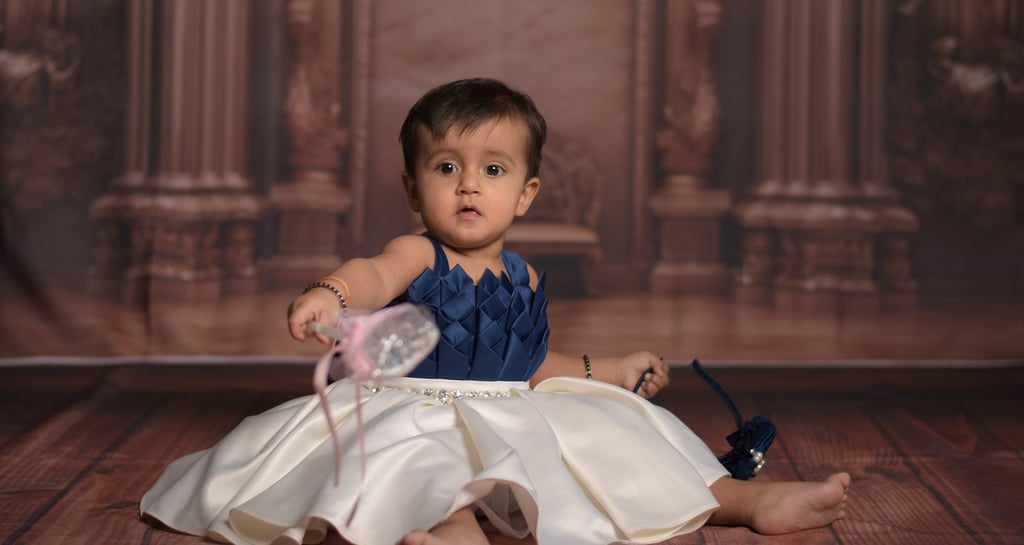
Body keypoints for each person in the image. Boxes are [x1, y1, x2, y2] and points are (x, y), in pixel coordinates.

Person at [140, 78, 849, 545]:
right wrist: (332, 291)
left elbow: (536, 365)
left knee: (632, 435)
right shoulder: (419, 254)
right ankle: (448, 528)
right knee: (428, 463)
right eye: (446, 167)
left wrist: (612, 369)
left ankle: (742, 501)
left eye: (493, 168)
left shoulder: (525, 274)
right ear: (414, 189)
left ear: (527, 192)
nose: (469, 184)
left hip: (511, 406)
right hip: (417, 406)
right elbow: (372, 271)